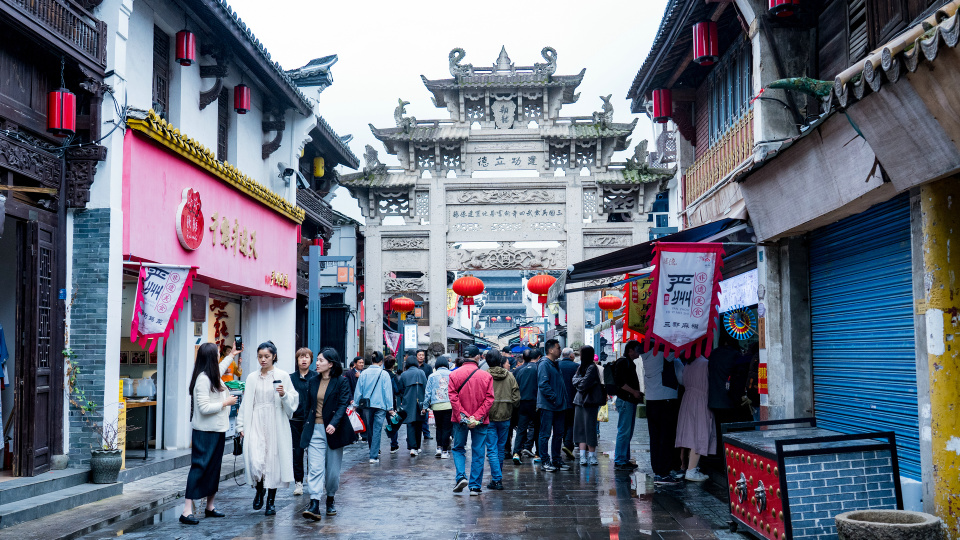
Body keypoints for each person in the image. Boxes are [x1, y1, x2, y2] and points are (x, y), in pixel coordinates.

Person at [237, 341, 299, 516]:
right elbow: (246, 403)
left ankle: (271, 502)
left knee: (273, 461)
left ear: (274, 356)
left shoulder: (283, 376)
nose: (263, 360)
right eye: (260, 356)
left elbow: (294, 400)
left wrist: (284, 394)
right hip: (255, 419)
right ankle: (259, 489)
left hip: (276, 421)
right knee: (255, 458)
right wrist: (241, 426)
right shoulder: (251, 377)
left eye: (266, 356)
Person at [180, 343, 239, 525]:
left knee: (214, 468)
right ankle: (186, 510)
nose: (219, 357)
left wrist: (233, 355)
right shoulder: (203, 379)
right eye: (217, 355)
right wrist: (225, 403)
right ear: (210, 358)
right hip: (205, 432)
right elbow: (204, 408)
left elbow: (220, 369)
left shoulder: (211, 375)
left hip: (216, 430)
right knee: (199, 468)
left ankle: (210, 507)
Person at [301, 348, 356, 521]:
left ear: (330, 364)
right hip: (315, 430)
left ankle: (330, 498)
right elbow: (307, 406)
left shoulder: (341, 382)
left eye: (320, 360)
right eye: (316, 360)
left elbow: (342, 405)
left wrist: (334, 423)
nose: (316, 363)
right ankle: (314, 503)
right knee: (315, 468)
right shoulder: (312, 381)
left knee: (332, 471)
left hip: (333, 430)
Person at [448, 345, 494, 495]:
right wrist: (477, 417)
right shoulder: (486, 376)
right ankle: (475, 486)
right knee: (478, 451)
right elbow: (489, 399)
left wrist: (464, 416)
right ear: (478, 357)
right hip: (480, 420)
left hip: (459, 419)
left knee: (458, 448)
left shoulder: (454, 375)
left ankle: (461, 476)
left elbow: (453, 397)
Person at [642, 347, 684, 484]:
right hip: (666, 398)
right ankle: (664, 473)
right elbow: (682, 376)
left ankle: (658, 471)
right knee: (666, 437)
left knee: (654, 437)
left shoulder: (646, 354)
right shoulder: (666, 354)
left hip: (651, 400)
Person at [675, 353, 716, 482]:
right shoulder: (705, 364)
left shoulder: (688, 364)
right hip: (701, 400)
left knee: (687, 434)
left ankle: (684, 466)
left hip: (687, 399)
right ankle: (691, 470)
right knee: (699, 434)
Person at [353, 350, 395, 463]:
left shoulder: (364, 373)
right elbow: (388, 392)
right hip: (380, 405)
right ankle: (373, 455)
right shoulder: (384, 374)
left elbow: (359, 390)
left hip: (367, 405)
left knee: (370, 428)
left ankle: (372, 450)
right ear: (381, 361)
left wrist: (355, 404)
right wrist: (390, 408)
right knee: (377, 429)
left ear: (372, 360)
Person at [485, 350, 519, 490]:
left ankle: (497, 479)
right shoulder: (510, 376)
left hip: (489, 416)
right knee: (500, 448)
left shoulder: (484, 375)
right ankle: (496, 478)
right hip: (505, 416)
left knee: (492, 449)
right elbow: (516, 398)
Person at [289, 347, 318, 496]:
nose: (304, 360)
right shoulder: (290, 378)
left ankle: (312, 479)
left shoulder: (316, 377)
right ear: (297, 360)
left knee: (313, 452)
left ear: (311, 360)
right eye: (301, 357)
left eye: (306, 357)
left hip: (311, 420)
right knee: (297, 452)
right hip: (295, 420)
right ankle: (298, 482)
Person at [537, 339, 569, 472]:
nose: (560, 350)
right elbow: (543, 384)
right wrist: (554, 398)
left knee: (559, 434)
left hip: (559, 405)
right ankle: (545, 461)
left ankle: (557, 460)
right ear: (550, 350)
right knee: (545, 434)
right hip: (548, 405)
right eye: (558, 348)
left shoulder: (555, 364)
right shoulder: (544, 364)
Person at [613, 340, 644, 471]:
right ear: (630, 350)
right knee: (624, 431)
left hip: (629, 400)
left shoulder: (628, 362)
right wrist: (634, 392)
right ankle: (620, 460)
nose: (639, 352)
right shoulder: (623, 362)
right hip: (626, 400)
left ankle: (624, 459)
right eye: (637, 349)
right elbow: (619, 382)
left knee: (627, 432)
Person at [572, 346, 604, 467]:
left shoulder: (592, 367)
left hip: (589, 401)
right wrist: (580, 382)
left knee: (589, 428)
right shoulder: (581, 367)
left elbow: (582, 384)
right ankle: (583, 456)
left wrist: (579, 383)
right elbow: (575, 380)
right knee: (580, 428)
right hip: (580, 401)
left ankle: (591, 455)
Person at [511, 348, 540, 465]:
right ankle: (538, 454)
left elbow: (515, 387)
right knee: (537, 428)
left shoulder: (518, 370)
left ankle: (516, 453)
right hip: (535, 403)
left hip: (522, 403)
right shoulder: (538, 368)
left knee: (521, 429)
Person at [423, 356, 453, 458]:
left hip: (436, 406)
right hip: (449, 405)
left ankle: (439, 448)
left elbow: (428, 393)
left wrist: (425, 406)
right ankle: (445, 451)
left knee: (438, 427)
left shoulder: (432, 376)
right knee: (446, 428)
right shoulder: (452, 374)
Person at [398, 356, 428, 456]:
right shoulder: (421, 373)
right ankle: (418, 446)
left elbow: (400, 390)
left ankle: (412, 447)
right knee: (419, 424)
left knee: (410, 424)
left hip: (408, 402)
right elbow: (425, 387)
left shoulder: (404, 374)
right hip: (420, 402)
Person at [558, 347, 578, 459]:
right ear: (571, 356)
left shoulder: (557, 366)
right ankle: (568, 444)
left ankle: (564, 442)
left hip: (559, 400)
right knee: (571, 423)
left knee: (561, 423)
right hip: (572, 400)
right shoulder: (576, 367)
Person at [383, 355, 402, 453]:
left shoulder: (380, 374)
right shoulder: (392, 376)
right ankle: (394, 445)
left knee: (376, 425)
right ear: (393, 365)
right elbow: (397, 390)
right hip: (390, 403)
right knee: (393, 423)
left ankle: (376, 449)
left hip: (379, 403)